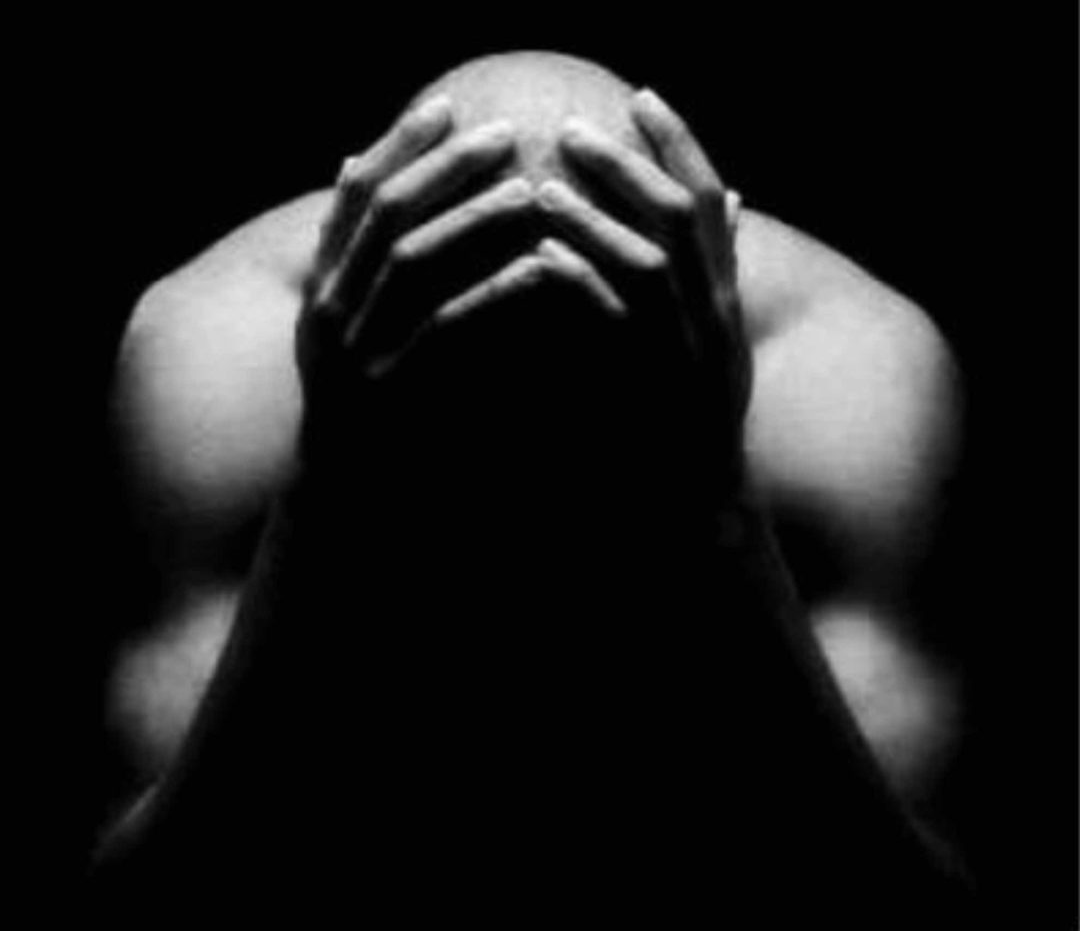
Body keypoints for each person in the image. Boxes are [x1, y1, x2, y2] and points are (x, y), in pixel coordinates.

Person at [90, 51, 973, 920]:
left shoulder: (845, 372)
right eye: (481, 391)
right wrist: (328, 471)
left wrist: (712, 484)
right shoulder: (221, 357)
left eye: (572, 391)